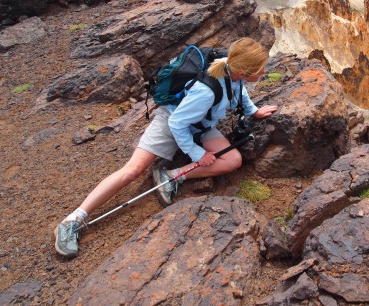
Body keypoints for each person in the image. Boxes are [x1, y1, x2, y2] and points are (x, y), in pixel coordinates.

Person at [54, 37, 278, 258]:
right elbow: (176, 123)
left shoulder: (231, 69)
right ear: (244, 71)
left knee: (232, 160)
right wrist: (197, 154)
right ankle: (73, 220)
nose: (263, 72)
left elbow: (238, 90)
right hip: (172, 120)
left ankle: (171, 176)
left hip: (201, 123)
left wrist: (253, 110)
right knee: (132, 170)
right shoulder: (206, 91)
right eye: (260, 69)